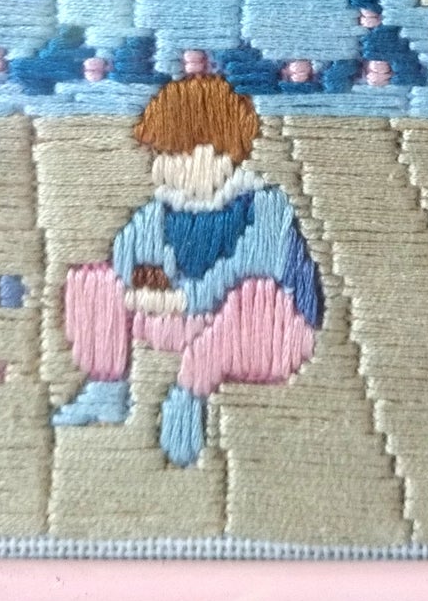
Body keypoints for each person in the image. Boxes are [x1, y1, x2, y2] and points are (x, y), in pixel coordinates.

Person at [52, 73, 323, 466]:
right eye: (159, 157)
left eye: (175, 155)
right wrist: (135, 288)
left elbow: (250, 267)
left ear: (218, 153)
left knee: (257, 295)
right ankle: (106, 386)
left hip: (266, 332)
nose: (164, 169)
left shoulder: (265, 206)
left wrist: (184, 299)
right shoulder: (160, 211)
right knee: (93, 281)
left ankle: (189, 395)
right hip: (187, 321)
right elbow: (127, 252)